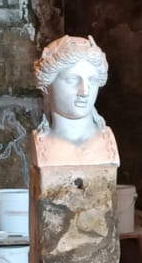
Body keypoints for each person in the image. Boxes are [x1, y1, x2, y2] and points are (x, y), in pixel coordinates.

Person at [31, 34, 119, 167]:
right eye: (71, 80)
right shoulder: (42, 145)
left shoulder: (106, 144)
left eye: (92, 80)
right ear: (46, 87)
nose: (84, 92)